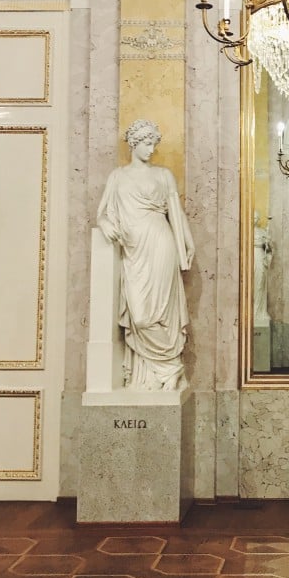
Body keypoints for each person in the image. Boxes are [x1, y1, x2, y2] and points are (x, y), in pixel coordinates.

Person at [97, 119, 195, 393]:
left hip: (160, 244)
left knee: (162, 313)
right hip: (132, 251)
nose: (151, 149)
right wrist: (105, 223)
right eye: (147, 143)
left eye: (154, 144)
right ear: (134, 144)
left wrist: (186, 243)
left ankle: (169, 369)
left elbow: (176, 213)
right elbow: (103, 212)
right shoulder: (117, 176)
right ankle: (168, 368)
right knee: (140, 316)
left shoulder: (163, 175)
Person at [252, 211, 273, 325]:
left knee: (260, 284)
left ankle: (259, 311)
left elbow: (269, 249)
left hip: (260, 257)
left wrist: (268, 242)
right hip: (251, 258)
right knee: (252, 285)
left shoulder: (262, 232)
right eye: (253, 217)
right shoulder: (246, 232)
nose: (254, 219)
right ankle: (252, 311)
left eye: (256, 217)